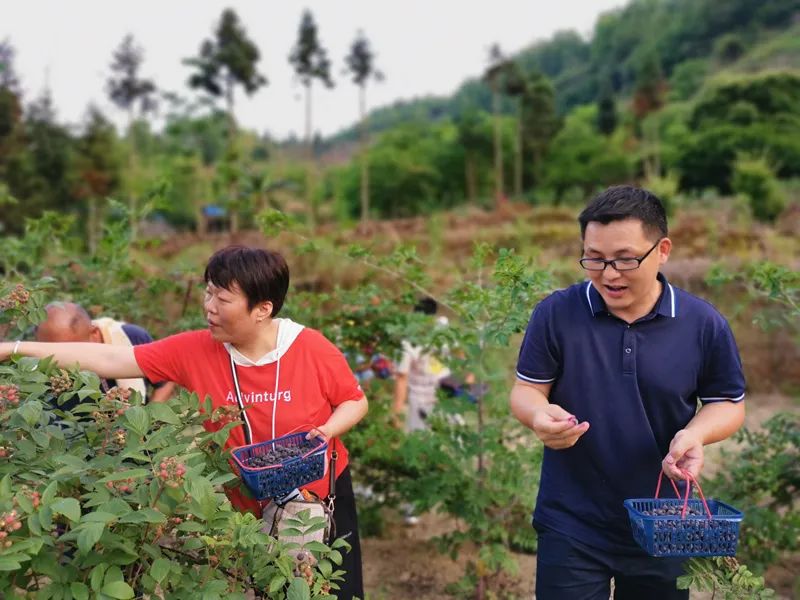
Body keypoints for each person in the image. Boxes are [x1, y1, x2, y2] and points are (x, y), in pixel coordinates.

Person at [1, 246, 369, 599]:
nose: (209, 307)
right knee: (270, 588)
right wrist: (15, 350)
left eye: (223, 300)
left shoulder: (310, 347)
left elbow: (355, 400)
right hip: (251, 505)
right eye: (208, 294)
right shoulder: (195, 350)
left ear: (262, 309)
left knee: (331, 591)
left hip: (319, 498)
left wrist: (326, 431)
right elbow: (107, 358)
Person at [510, 185, 745, 600]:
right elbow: (528, 389)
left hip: (665, 521)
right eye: (594, 259)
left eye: (625, 259)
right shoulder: (557, 313)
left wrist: (695, 434)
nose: (609, 274)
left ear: (663, 249)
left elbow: (726, 402)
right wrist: (537, 416)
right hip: (572, 520)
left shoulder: (702, 324)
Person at [34, 302, 175, 405]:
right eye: (52, 352)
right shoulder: (41, 367)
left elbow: (165, 382)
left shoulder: (131, 337)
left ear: (94, 333)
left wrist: (147, 418)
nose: (64, 358)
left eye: (71, 349)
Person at [393, 297, 451, 433]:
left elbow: (401, 378)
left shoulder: (408, 342)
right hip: (446, 391)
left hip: (421, 397)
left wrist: (396, 414)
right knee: (446, 437)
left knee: (421, 439)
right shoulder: (443, 329)